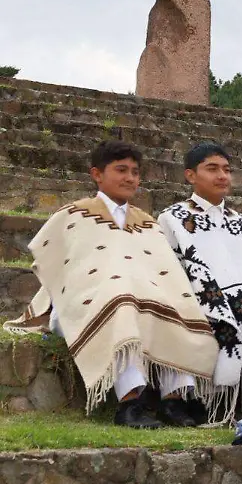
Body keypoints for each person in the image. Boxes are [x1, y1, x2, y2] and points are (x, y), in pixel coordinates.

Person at [5, 141, 218, 428]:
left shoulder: (147, 223)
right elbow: (61, 269)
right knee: (122, 303)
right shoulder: (73, 215)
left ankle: (175, 399)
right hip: (79, 306)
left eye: (135, 172)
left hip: (140, 297)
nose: (130, 178)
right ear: (97, 174)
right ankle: (130, 401)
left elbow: (163, 272)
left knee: (175, 305)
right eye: (121, 170)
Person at [158, 142, 242, 423]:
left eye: (227, 170)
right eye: (212, 169)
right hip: (199, 300)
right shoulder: (174, 218)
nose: (222, 176)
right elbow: (170, 268)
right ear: (190, 175)